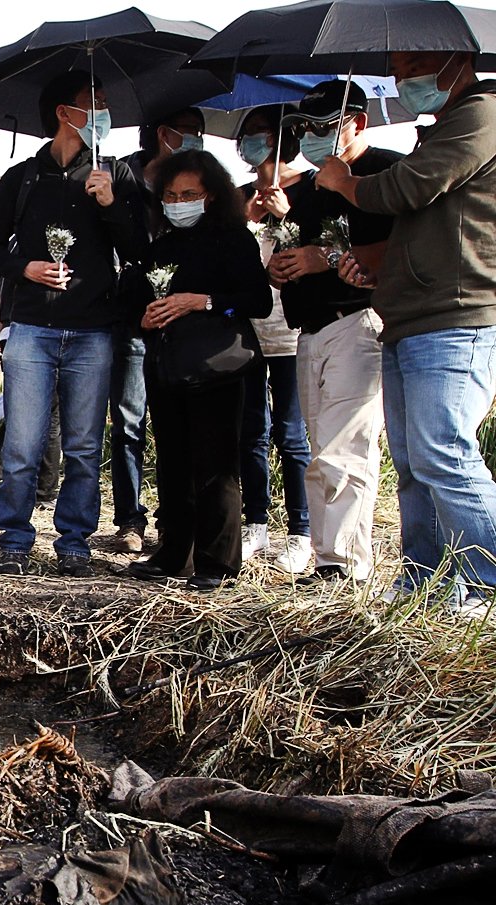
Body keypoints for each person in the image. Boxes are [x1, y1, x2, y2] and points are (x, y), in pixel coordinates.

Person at [316, 52, 496, 613]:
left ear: (457, 60)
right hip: (413, 314)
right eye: (396, 66)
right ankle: (429, 585)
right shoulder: (444, 126)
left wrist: (347, 182)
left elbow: (407, 189)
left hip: (457, 313)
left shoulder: (483, 114)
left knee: (445, 453)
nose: (402, 76)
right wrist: (374, 271)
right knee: (416, 462)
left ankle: (486, 582)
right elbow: (428, 224)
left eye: (415, 62)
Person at [0, 70, 147, 577]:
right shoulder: (23, 177)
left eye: (104, 102)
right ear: (63, 114)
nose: (102, 113)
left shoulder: (116, 175)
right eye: (92, 102)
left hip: (94, 329)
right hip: (31, 328)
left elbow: (140, 250)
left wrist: (111, 204)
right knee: (24, 443)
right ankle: (14, 536)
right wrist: (23, 268)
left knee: (83, 445)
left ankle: (74, 539)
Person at [271, 82, 400, 584]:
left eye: (328, 127)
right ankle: (327, 558)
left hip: (359, 322)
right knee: (319, 449)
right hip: (308, 329)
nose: (316, 137)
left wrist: (320, 258)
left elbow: (393, 244)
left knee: (346, 449)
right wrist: (281, 266)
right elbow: (294, 249)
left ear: (358, 124)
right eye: (307, 128)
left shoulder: (384, 171)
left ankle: (346, 565)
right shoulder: (303, 191)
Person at [126, 152, 273, 590]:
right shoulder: (161, 245)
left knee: (216, 466)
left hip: (219, 367)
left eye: (189, 194)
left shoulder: (233, 238)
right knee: (173, 462)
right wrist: (144, 318)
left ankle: (218, 563)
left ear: (211, 195)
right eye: (171, 195)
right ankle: (174, 552)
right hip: (168, 367)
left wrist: (203, 300)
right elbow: (136, 301)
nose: (178, 201)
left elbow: (257, 301)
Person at [110, 108, 208, 553]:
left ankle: (176, 521)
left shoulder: (196, 186)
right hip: (134, 319)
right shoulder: (119, 178)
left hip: (181, 324)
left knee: (179, 427)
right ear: (164, 134)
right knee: (129, 421)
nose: (197, 141)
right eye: (191, 133)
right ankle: (130, 519)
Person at [236, 106, 312, 574]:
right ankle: (256, 525)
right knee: (252, 432)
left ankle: (302, 532)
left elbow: (313, 250)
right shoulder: (242, 198)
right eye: (245, 138)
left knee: (292, 434)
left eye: (259, 137)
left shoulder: (309, 191)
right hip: (249, 333)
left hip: (296, 332)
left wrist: (285, 219)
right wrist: (245, 218)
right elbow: (228, 258)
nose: (249, 146)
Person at [0, 333, 60, 502]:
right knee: (52, 433)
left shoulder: (12, 349)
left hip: (45, 385)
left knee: (18, 427)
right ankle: (45, 494)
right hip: (58, 378)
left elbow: (10, 395)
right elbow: (7, 396)